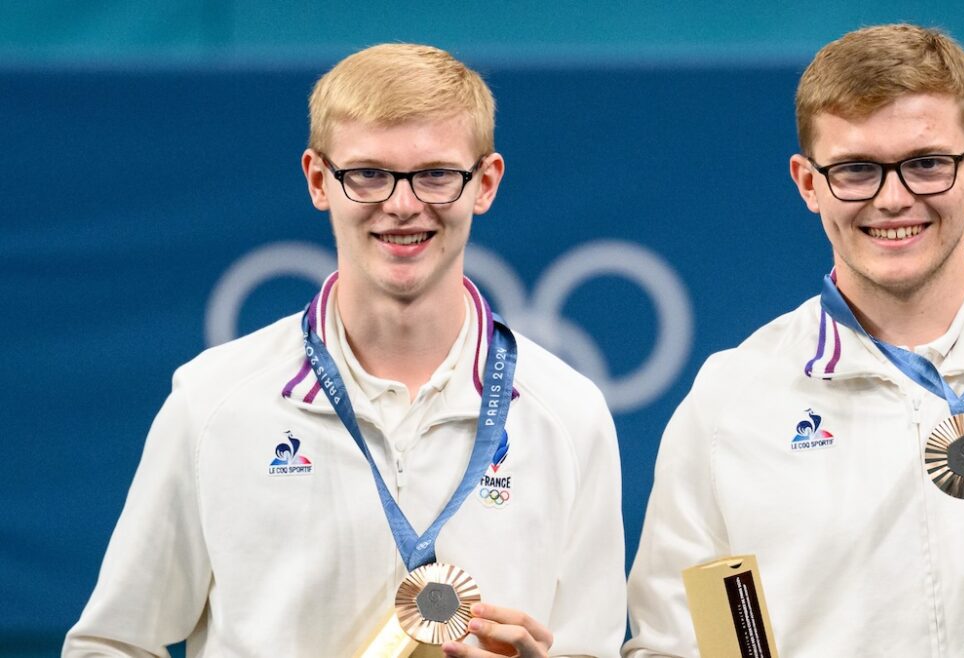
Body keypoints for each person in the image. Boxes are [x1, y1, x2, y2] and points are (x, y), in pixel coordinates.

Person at [625, 23, 964, 657]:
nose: (893, 198)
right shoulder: (731, 399)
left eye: (927, 164)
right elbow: (678, 646)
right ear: (808, 183)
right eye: (857, 169)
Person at [65, 44, 625, 657]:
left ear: (484, 183)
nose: (403, 204)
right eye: (368, 174)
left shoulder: (569, 413)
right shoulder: (214, 402)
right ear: (318, 180)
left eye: (436, 174)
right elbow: (110, 644)